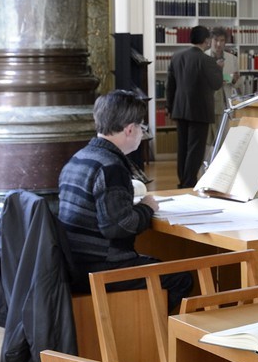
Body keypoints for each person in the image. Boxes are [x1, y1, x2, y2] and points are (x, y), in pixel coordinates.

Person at [57, 89, 191, 311]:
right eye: (142, 127)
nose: (142, 132)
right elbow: (119, 226)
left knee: (158, 263)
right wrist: (146, 208)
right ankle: (150, 332)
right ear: (130, 129)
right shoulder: (110, 166)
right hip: (101, 267)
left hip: (74, 264)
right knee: (180, 278)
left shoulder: (79, 158)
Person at [166, 24, 226, 188]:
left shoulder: (176, 57)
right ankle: (188, 183)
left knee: (183, 147)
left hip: (179, 109)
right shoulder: (207, 60)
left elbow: (170, 86)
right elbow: (216, 84)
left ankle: (182, 181)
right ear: (207, 40)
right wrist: (219, 69)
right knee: (195, 149)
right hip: (199, 110)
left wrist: (170, 108)